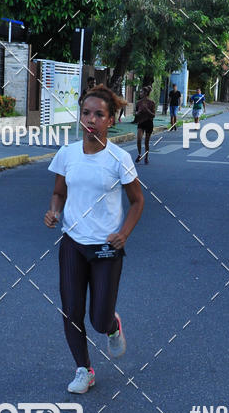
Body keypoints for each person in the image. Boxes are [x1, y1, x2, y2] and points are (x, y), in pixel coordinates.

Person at [45, 84, 144, 394]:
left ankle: (112, 325)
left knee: (98, 320)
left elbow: (137, 201)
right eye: (86, 113)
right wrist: (54, 211)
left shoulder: (118, 159)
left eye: (99, 114)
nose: (90, 119)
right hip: (72, 243)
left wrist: (123, 234)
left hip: (105, 247)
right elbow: (59, 192)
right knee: (71, 310)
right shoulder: (67, 154)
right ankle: (84, 370)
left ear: (111, 120)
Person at [134, 87, 156, 164]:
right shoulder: (138, 103)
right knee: (139, 139)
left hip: (149, 122)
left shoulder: (151, 103)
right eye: (140, 92)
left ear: (146, 93)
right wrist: (137, 113)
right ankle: (139, 154)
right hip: (141, 122)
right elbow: (136, 113)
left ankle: (146, 157)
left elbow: (153, 115)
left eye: (141, 92)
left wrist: (147, 110)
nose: (140, 94)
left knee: (146, 142)